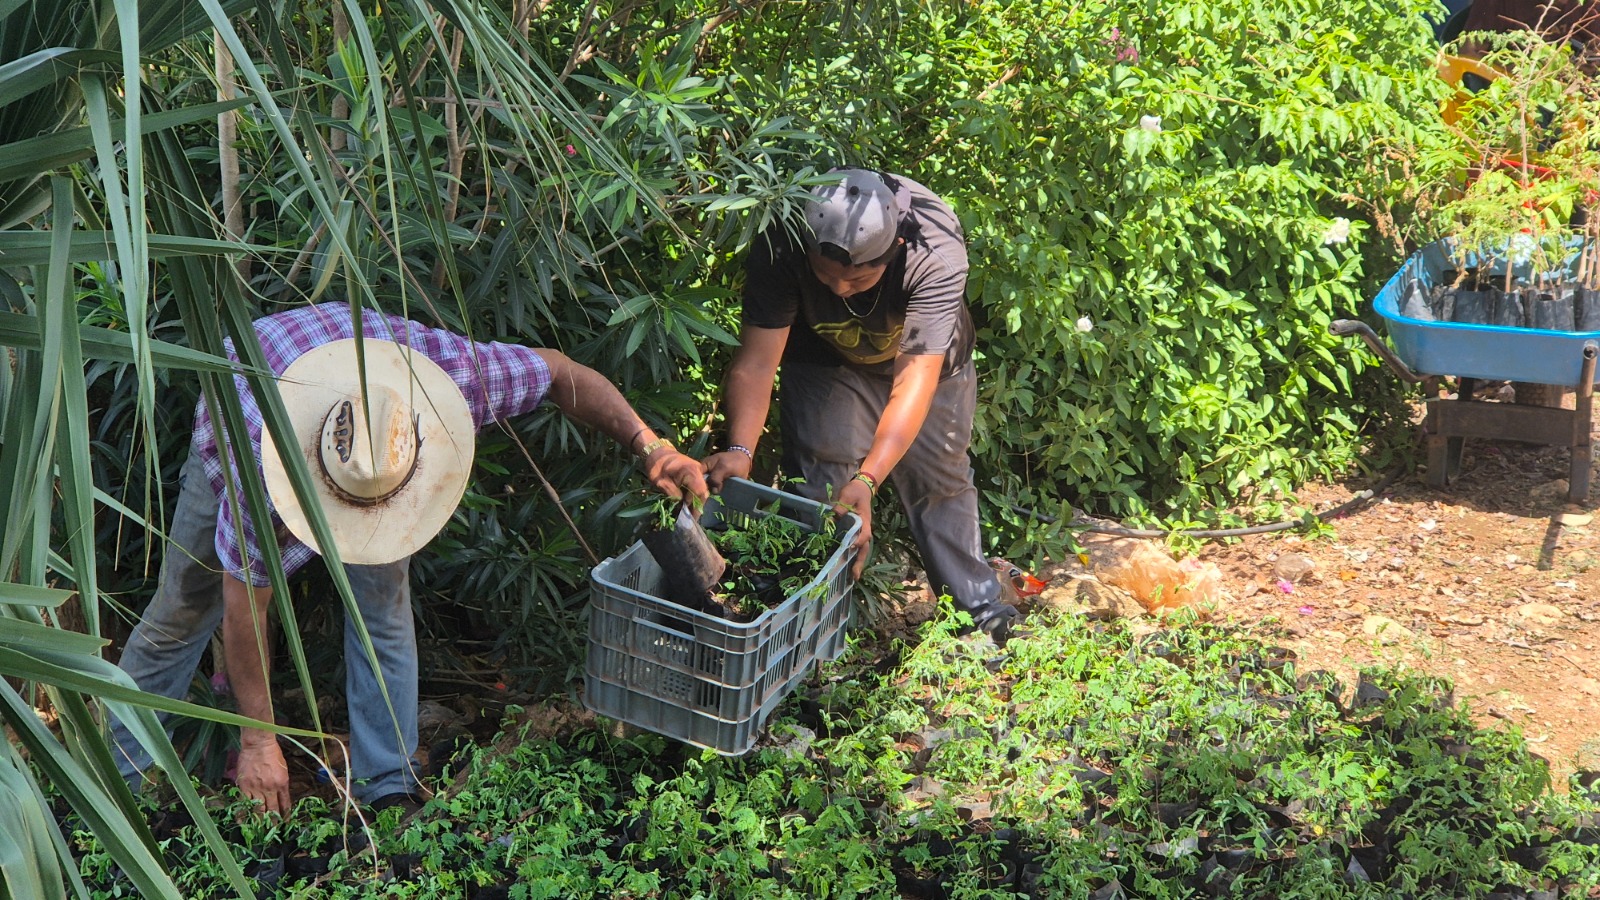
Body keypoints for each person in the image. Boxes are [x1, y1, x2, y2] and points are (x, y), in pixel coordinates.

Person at [111, 302, 706, 814]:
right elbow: (247, 609)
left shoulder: (447, 382)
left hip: (366, 396)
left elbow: (558, 370)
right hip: (250, 397)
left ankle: (387, 787)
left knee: (383, 610)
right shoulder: (257, 470)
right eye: (352, 500)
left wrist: (651, 446)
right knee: (181, 612)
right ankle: (120, 787)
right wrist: (260, 744)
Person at [701, 168, 1018, 642]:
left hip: (929, 366)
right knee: (818, 482)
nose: (839, 290)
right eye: (824, 276)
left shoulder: (935, 252)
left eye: (858, 278)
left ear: (894, 254)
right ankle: (803, 625)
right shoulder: (784, 237)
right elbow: (755, 363)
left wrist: (868, 478)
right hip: (826, 358)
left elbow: (915, 378)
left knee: (940, 479)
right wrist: (741, 450)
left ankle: (980, 610)